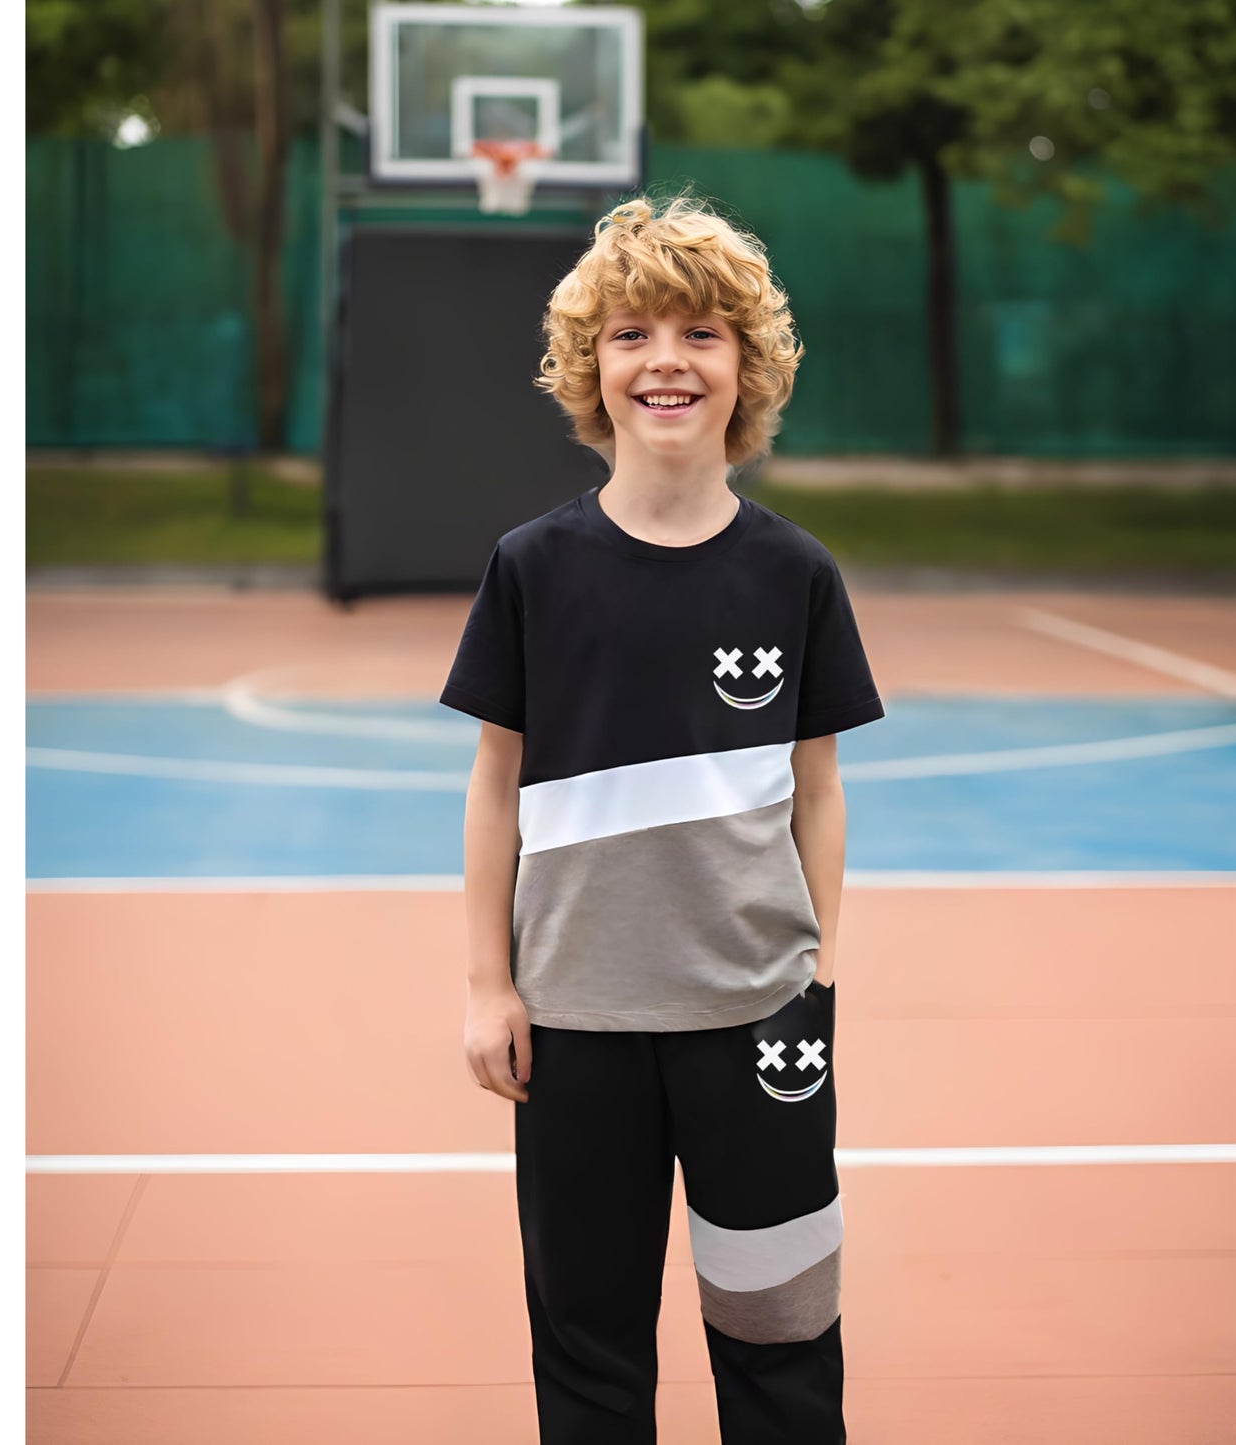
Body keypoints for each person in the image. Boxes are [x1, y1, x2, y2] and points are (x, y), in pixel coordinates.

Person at [438, 192, 885, 1445]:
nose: (666, 361)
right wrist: (489, 984)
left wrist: (822, 978)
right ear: (592, 367)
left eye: (699, 333)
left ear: (745, 366)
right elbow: (493, 783)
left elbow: (817, 786)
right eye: (631, 333)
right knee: (588, 1345)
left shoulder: (793, 572)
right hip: (574, 1022)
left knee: (782, 1340)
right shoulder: (533, 564)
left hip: (758, 1021)